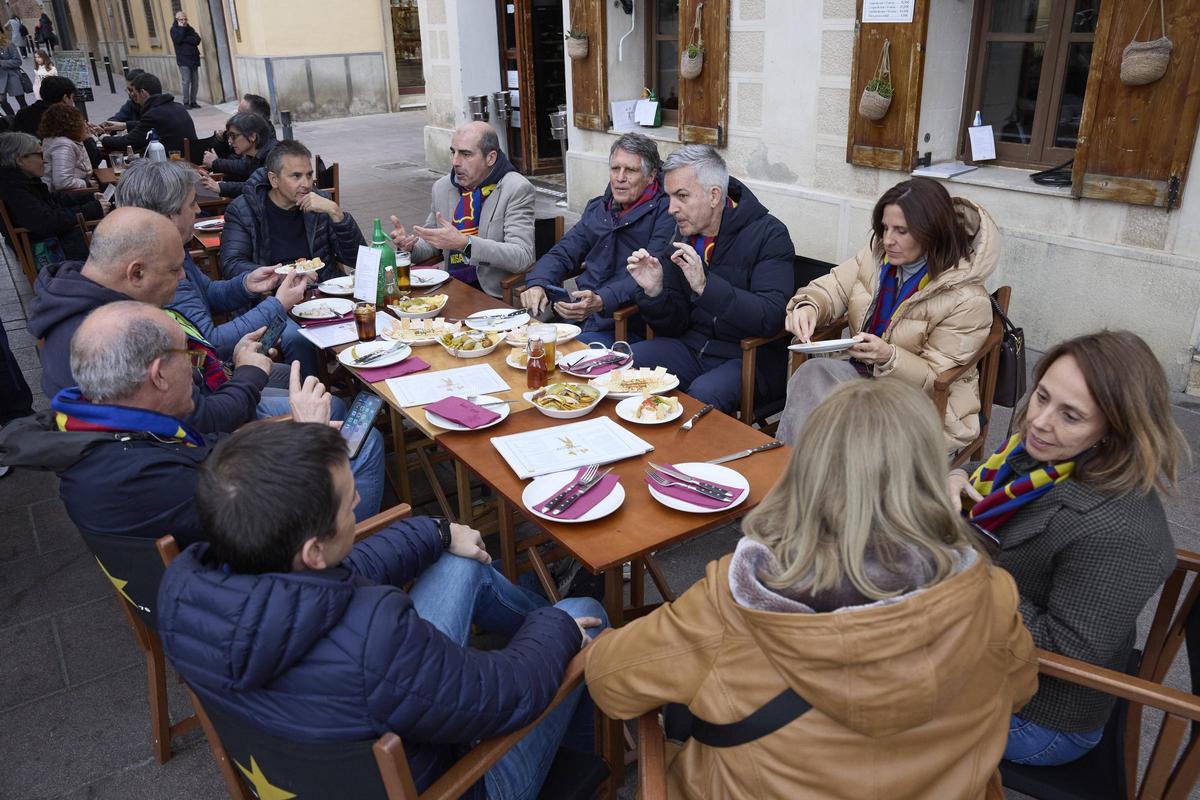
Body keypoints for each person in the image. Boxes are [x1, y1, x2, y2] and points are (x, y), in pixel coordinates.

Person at [586, 378, 1037, 798]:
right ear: (930, 476)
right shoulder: (991, 594)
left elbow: (609, 683)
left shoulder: (737, 600)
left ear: (807, 470)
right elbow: (1020, 690)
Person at [156, 419, 605, 797]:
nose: (357, 503)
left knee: (458, 562)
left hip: (311, 765)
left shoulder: (183, 593)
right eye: (349, 503)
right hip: (458, 782)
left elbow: (344, 572)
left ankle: (537, 623)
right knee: (582, 614)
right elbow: (507, 693)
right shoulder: (376, 638)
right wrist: (556, 629)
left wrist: (436, 532)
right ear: (313, 552)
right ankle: (581, 760)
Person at [948, 330, 1188, 767]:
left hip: (1040, 716)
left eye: (1071, 415)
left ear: (1115, 429)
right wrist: (956, 477)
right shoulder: (1045, 456)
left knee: (859, 694)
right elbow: (987, 479)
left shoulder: (1119, 531)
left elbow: (1067, 650)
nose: (1039, 421)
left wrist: (963, 574)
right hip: (988, 650)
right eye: (1042, 396)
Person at [0, 303, 385, 547]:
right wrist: (308, 440)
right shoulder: (149, 476)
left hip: (206, 572)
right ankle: (357, 552)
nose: (199, 369)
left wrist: (285, 433)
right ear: (158, 376)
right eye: (188, 355)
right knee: (367, 453)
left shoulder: (96, 429)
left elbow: (208, 452)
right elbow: (273, 521)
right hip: (271, 587)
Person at [777, 178, 997, 453]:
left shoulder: (968, 298)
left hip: (924, 406)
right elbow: (833, 287)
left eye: (901, 231)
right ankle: (787, 466)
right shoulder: (876, 257)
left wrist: (889, 356)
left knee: (848, 427)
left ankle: (817, 473)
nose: (888, 240)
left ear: (933, 232)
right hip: (865, 376)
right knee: (811, 374)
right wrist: (809, 306)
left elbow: (937, 380)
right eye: (885, 227)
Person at [26, 207, 275, 435]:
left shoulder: (78, 297)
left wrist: (237, 364)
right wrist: (248, 374)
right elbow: (201, 422)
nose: (183, 276)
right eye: (173, 269)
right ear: (136, 273)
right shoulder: (111, 333)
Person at [623, 144, 793, 414]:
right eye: (669, 197)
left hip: (748, 356)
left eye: (681, 196)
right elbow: (673, 325)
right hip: (692, 347)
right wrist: (655, 292)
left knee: (703, 394)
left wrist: (705, 287)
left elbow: (770, 316)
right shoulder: (682, 232)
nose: (671, 209)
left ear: (714, 195)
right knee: (624, 364)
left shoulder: (769, 234)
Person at [115, 159, 318, 377]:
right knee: (307, 386)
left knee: (292, 376)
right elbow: (212, 343)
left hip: (207, 372)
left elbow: (208, 292)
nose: (198, 209)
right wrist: (277, 304)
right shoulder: (158, 269)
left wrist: (247, 284)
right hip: (203, 381)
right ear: (169, 217)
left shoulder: (165, 248)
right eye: (192, 203)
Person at [519, 133, 672, 346]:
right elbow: (564, 251)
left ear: (651, 175)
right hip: (579, 318)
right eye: (615, 168)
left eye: (630, 170)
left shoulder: (667, 213)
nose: (620, 178)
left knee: (555, 354)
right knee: (525, 346)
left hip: (623, 325)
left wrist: (602, 300)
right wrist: (538, 282)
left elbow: (654, 273)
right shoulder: (600, 208)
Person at [389, 120, 534, 298]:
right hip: (452, 287)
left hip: (494, 294)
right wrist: (410, 247)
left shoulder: (516, 189)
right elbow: (433, 244)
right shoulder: (443, 187)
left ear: (490, 158)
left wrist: (466, 244)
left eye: (466, 154)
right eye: (453, 152)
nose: (455, 162)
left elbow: (522, 257)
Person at [220, 139, 364, 281]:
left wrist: (336, 213)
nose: (306, 184)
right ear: (274, 180)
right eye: (296, 176)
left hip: (323, 288)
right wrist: (284, 276)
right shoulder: (243, 210)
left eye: (309, 175)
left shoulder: (320, 204)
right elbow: (231, 265)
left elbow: (359, 261)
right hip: (272, 293)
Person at [0, 131, 104, 263]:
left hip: (55, 240)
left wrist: (88, 197)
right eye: (40, 155)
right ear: (20, 160)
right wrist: (90, 210)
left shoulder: (21, 180)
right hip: (50, 251)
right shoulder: (13, 188)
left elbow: (52, 200)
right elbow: (47, 222)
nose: (44, 161)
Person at [99, 72, 197, 155]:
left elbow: (130, 142)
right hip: (190, 159)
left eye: (135, 93)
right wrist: (124, 125)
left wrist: (104, 139)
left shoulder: (154, 114)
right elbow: (153, 126)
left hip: (173, 164)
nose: (133, 97)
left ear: (143, 93)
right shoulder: (177, 107)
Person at [199, 112, 275, 197]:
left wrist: (220, 187)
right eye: (229, 136)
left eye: (234, 136)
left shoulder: (273, 156)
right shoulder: (253, 154)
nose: (230, 141)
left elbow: (259, 187)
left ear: (252, 136)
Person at [38, 103, 93, 190]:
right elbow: (63, 182)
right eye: (83, 121)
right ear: (73, 124)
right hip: (67, 194)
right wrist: (87, 184)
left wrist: (88, 137)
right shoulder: (63, 145)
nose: (86, 125)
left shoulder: (55, 139)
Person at [170, 10, 201, 109]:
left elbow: (197, 40)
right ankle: (186, 102)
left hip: (194, 58)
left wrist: (186, 39)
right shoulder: (174, 30)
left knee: (195, 82)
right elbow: (178, 40)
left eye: (185, 19)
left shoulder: (190, 29)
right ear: (177, 20)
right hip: (183, 60)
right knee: (186, 81)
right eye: (181, 20)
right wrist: (183, 30)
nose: (184, 21)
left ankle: (193, 101)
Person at [0, 30, 27, 116]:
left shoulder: (8, 44)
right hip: (1, 78)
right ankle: (12, 119)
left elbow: (18, 61)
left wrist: (1, 62)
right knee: (2, 101)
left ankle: (26, 118)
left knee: (21, 101)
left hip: (12, 75)